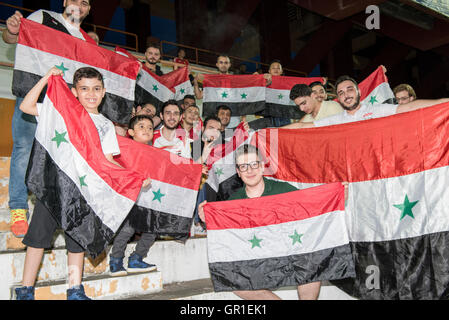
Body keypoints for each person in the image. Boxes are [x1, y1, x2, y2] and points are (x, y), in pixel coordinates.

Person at [14, 66, 150, 300]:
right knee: (37, 239)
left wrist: (133, 179)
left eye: (96, 89)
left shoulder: (106, 125)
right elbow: (26, 106)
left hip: (83, 193)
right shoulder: (60, 111)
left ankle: (74, 289)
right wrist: (47, 78)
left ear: (104, 91)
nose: (91, 94)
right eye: (84, 89)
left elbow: (108, 163)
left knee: (77, 242)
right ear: (74, 92)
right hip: (53, 187)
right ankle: (25, 290)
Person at [2, 1, 96, 238]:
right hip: (32, 94)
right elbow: (12, 38)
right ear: (65, 2)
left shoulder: (87, 40)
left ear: (88, 9)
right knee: (24, 148)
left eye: (85, 2)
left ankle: (57, 212)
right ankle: (19, 207)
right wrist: (12, 32)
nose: (79, 5)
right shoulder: (43, 17)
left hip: (64, 106)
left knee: (59, 159)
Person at [198, 144, 322, 300]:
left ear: (262, 166)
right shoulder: (233, 202)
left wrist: (337, 198)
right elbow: (225, 236)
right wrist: (207, 220)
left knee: (313, 260)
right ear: (238, 172)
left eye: (254, 164)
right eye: (243, 166)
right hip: (256, 263)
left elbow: (313, 208)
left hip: (286, 258)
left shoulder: (284, 190)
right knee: (231, 279)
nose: (249, 171)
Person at [284, 75, 449, 129]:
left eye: (349, 89)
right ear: (338, 98)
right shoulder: (337, 119)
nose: (346, 95)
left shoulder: (377, 110)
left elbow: (408, 107)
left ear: (359, 92)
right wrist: (267, 133)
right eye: (341, 92)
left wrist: (443, 102)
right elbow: (302, 126)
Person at [109, 114, 157, 276]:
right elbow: (116, 169)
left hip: (149, 198)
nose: (147, 130)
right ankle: (116, 259)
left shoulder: (157, 153)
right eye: (141, 127)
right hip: (130, 198)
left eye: (150, 128)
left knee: (153, 229)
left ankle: (136, 258)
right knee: (128, 229)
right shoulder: (124, 149)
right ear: (130, 132)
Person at [193, 54, 242, 128]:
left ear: (229, 65)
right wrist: (196, 83)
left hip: (232, 119)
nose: (223, 65)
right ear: (217, 64)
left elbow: (243, 100)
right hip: (216, 119)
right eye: (221, 62)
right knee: (216, 138)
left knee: (229, 138)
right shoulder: (211, 80)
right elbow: (199, 96)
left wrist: (243, 118)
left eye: (226, 63)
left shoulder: (235, 80)